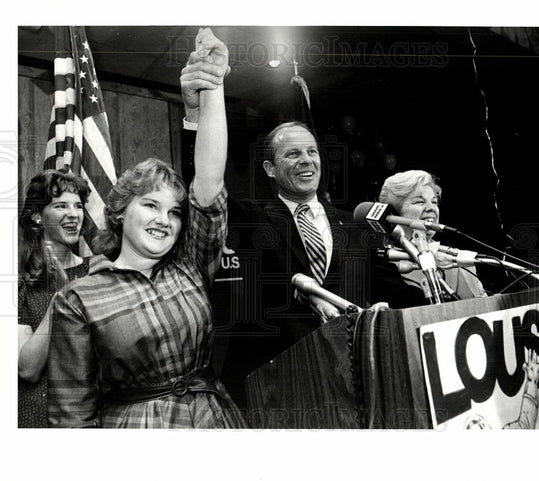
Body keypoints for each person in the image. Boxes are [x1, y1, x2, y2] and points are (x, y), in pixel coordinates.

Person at [46, 28, 246, 428]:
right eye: (151, 205)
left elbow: (207, 182)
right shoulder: (78, 298)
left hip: (215, 422)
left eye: (174, 212)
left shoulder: (189, 264)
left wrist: (214, 85)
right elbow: (71, 415)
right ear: (120, 212)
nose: (165, 220)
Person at [181, 64, 395, 409]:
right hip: (279, 388)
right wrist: (196, 114)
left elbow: (390, 289)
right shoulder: (254, 219)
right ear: (269, 168)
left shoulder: (354, 223)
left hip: (353, 382)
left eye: (311, 152)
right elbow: (205, 183)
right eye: (292, 153)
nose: (306, 160)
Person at [18, 168, 91, 428]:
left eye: (78, 206)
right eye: (60, 205)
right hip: (38, 417)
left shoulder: (97, 273)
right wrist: (61, 298)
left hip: (88, 416)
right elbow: (27, 369)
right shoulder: (20, 282)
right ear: (38, 216)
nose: (73, 214)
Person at [378, 170, 487, 301]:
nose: (431, 208)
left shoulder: (459, 259)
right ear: (393, 214)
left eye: (434, 202)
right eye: (419, 202)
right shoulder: (383, 265)